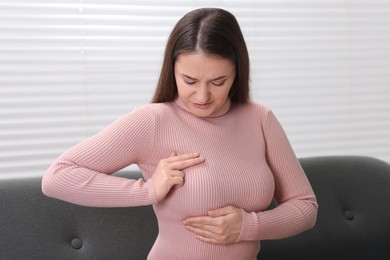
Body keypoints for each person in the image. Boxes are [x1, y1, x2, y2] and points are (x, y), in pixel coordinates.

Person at [42, 7, 318, 260]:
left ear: (237, 72)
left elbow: (304, 207)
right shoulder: (153, 121)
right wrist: (148, 190)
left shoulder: (259, 118)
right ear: (172, 69)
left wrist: (249, 226)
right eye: (189, 80)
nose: (202, 96)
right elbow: (58, 176)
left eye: (218, 82)